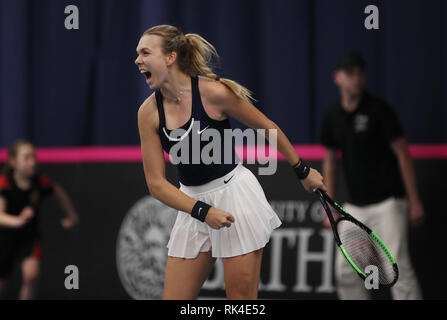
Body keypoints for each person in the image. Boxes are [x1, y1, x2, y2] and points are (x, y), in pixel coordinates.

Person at [135, 24, 326, 300]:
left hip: (235, 199)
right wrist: (203, 211)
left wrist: (302, 169)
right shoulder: (148, 113)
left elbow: (267, 127)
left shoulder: (213, 93)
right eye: (138, 53)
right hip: (194, 206)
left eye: (145, 52)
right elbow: (156, 184)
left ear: (170, 57)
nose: (137, 60)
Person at [320, 51, 423, 300]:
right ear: (337, 78)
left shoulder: (380, 110)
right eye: (350, 73)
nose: (356, 79)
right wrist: (330, 206)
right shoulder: (332, 117)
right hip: (354, 207)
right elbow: (330, 162)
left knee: (398, 268)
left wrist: (414, 201)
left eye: (360, 73)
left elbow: (403, 155)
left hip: (389, 203)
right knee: (345, 271)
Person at [0, 140, 80, 299]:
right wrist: (18, 220)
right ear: (13, 161)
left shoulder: (39, 182)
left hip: (30, 238)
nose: (32, 162)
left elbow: (58, 192)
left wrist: (71, 215)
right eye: (26, 158)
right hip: (4, 239)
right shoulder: (5, 183)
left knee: (31, 276)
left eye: (33, 157)